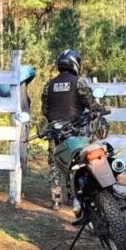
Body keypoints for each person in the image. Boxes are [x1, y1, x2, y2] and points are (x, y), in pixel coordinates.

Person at [40, 49, 103, 210]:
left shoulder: (49, 84)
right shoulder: (79, 82)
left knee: (55, 163)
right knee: (77, 161)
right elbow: (91, 105)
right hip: (76, 128)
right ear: (75, 63)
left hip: (55, 129)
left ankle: (55, 200)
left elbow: (45, 110)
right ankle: (74, 195)